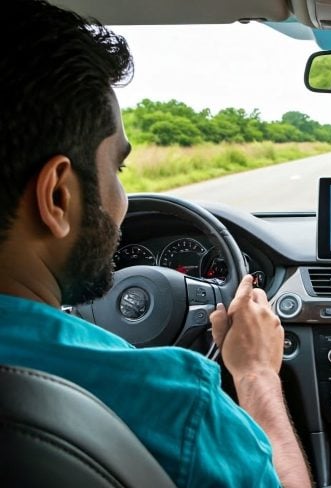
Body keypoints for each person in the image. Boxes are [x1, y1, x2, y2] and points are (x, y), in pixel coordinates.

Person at [0, 1, 310, 487]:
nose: (123, 198)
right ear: (58, 196)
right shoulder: (176, 401)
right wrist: (254, 374)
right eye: (117, 169)